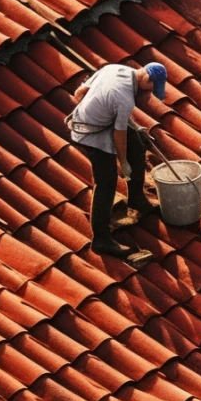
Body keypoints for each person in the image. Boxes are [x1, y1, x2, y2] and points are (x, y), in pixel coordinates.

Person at [67, 61, 167, 256]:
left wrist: (101, 108)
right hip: (90, 133)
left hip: (98, 120)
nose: (149, 93)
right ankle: (101, 239)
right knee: (106, 182)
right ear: (146, 79)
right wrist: (123, 163)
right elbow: (118, 135)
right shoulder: (124, 98)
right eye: (152, 88)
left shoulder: (115, 68)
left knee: (137, 144)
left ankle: (137, 199)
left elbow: (79, 92)